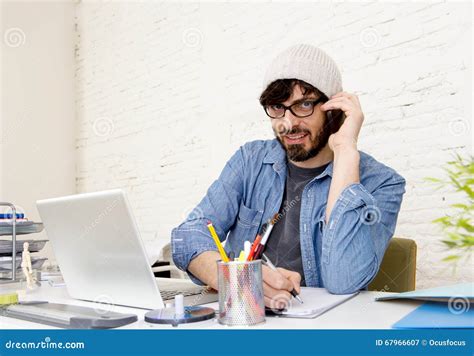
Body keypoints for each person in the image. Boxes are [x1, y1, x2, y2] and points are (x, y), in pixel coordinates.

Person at [171, 44, 405, 309]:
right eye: (277, 107)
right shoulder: (250, 160)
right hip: (246, 317)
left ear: (333, 109)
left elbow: (344, 280)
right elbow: (186, 235)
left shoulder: (383, 183)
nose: (288, 123)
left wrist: (346, 151)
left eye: (304, 104)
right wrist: (237, 280)